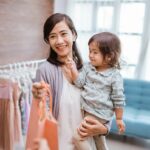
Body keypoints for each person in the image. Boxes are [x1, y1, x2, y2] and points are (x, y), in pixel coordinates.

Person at [31, 13, 110, 150]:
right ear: (48, 41)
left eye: (63, 34)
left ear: (73, 35)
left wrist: (104, 128)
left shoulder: (90, 69)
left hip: (86, 145)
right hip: (59, 145)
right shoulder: (44, 70)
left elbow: (105, 105)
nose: (59, 41)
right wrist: (38, 98)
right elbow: (41, 114)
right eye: (52, 36)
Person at [66, 32, 126, 150]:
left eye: (95, 52)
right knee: (98, 140)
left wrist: (119, 118)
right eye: (90, 51)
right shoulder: (88, 67)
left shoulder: (115, 76)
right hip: (88, 111)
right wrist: (73, 69)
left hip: (98, 113)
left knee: (77, 137)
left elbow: (118, 98)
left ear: (109, 56)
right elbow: (79, 83)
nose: (90, 55)